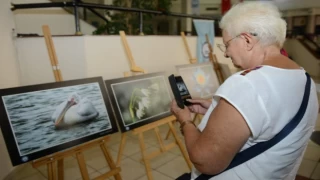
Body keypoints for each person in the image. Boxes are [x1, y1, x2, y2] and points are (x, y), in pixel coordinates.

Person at [170, 1, 319, 180]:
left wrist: (186, 121)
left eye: (227, 44)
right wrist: (216, 109)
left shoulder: (247, 84)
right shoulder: (304, 79)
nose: (226, 53)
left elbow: (205, 161)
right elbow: (269, 115)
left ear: (247, 40)